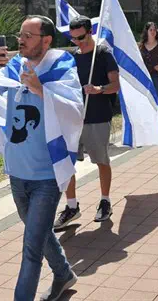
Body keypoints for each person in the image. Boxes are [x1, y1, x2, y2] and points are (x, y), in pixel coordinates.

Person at [0, 16, 78, 301]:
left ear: (46, 40)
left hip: (46, 176)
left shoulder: (62, 66)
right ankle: (63, 273)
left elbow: (74, 109)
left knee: (31, 246)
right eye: (19, 34)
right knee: (41, 233)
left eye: (28, 35)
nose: (20, 40)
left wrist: (39, 87)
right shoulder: (14, 66)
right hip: (17, 172)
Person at [55, 16, 120, 229]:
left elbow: (115, 85)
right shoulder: (72, 58)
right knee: (67, 163)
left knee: (101, 160)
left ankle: (105, 201)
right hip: (73, 119)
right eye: (73, 39)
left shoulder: (103, 54)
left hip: (98, 117)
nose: (78, 42)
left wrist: (99, 89)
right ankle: (72, 206)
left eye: (81, 37)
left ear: (90, 31)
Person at [139, 22, 158, 102]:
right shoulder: (141, 46)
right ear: (147, 31)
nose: (153, 32)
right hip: (144, 76)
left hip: (155, 76)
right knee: (145, 99)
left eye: (154, 30)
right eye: (151, 30)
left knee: (155, 98)